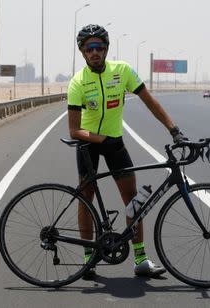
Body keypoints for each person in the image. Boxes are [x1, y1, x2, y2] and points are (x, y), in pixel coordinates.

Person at [67, 24, 185, 280]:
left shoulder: (122, 72)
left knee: (133, 200)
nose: (95, 52)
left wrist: (173, 129)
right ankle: (89, 259)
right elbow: (74, 130)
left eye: (99, 47)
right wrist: (101, 139)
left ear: (106, 49)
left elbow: (150, 101)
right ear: (83, 53)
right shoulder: (77, 83)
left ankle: (141, 260)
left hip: (115, 144)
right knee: (85, 198)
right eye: (89, 48)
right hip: (89, 145)